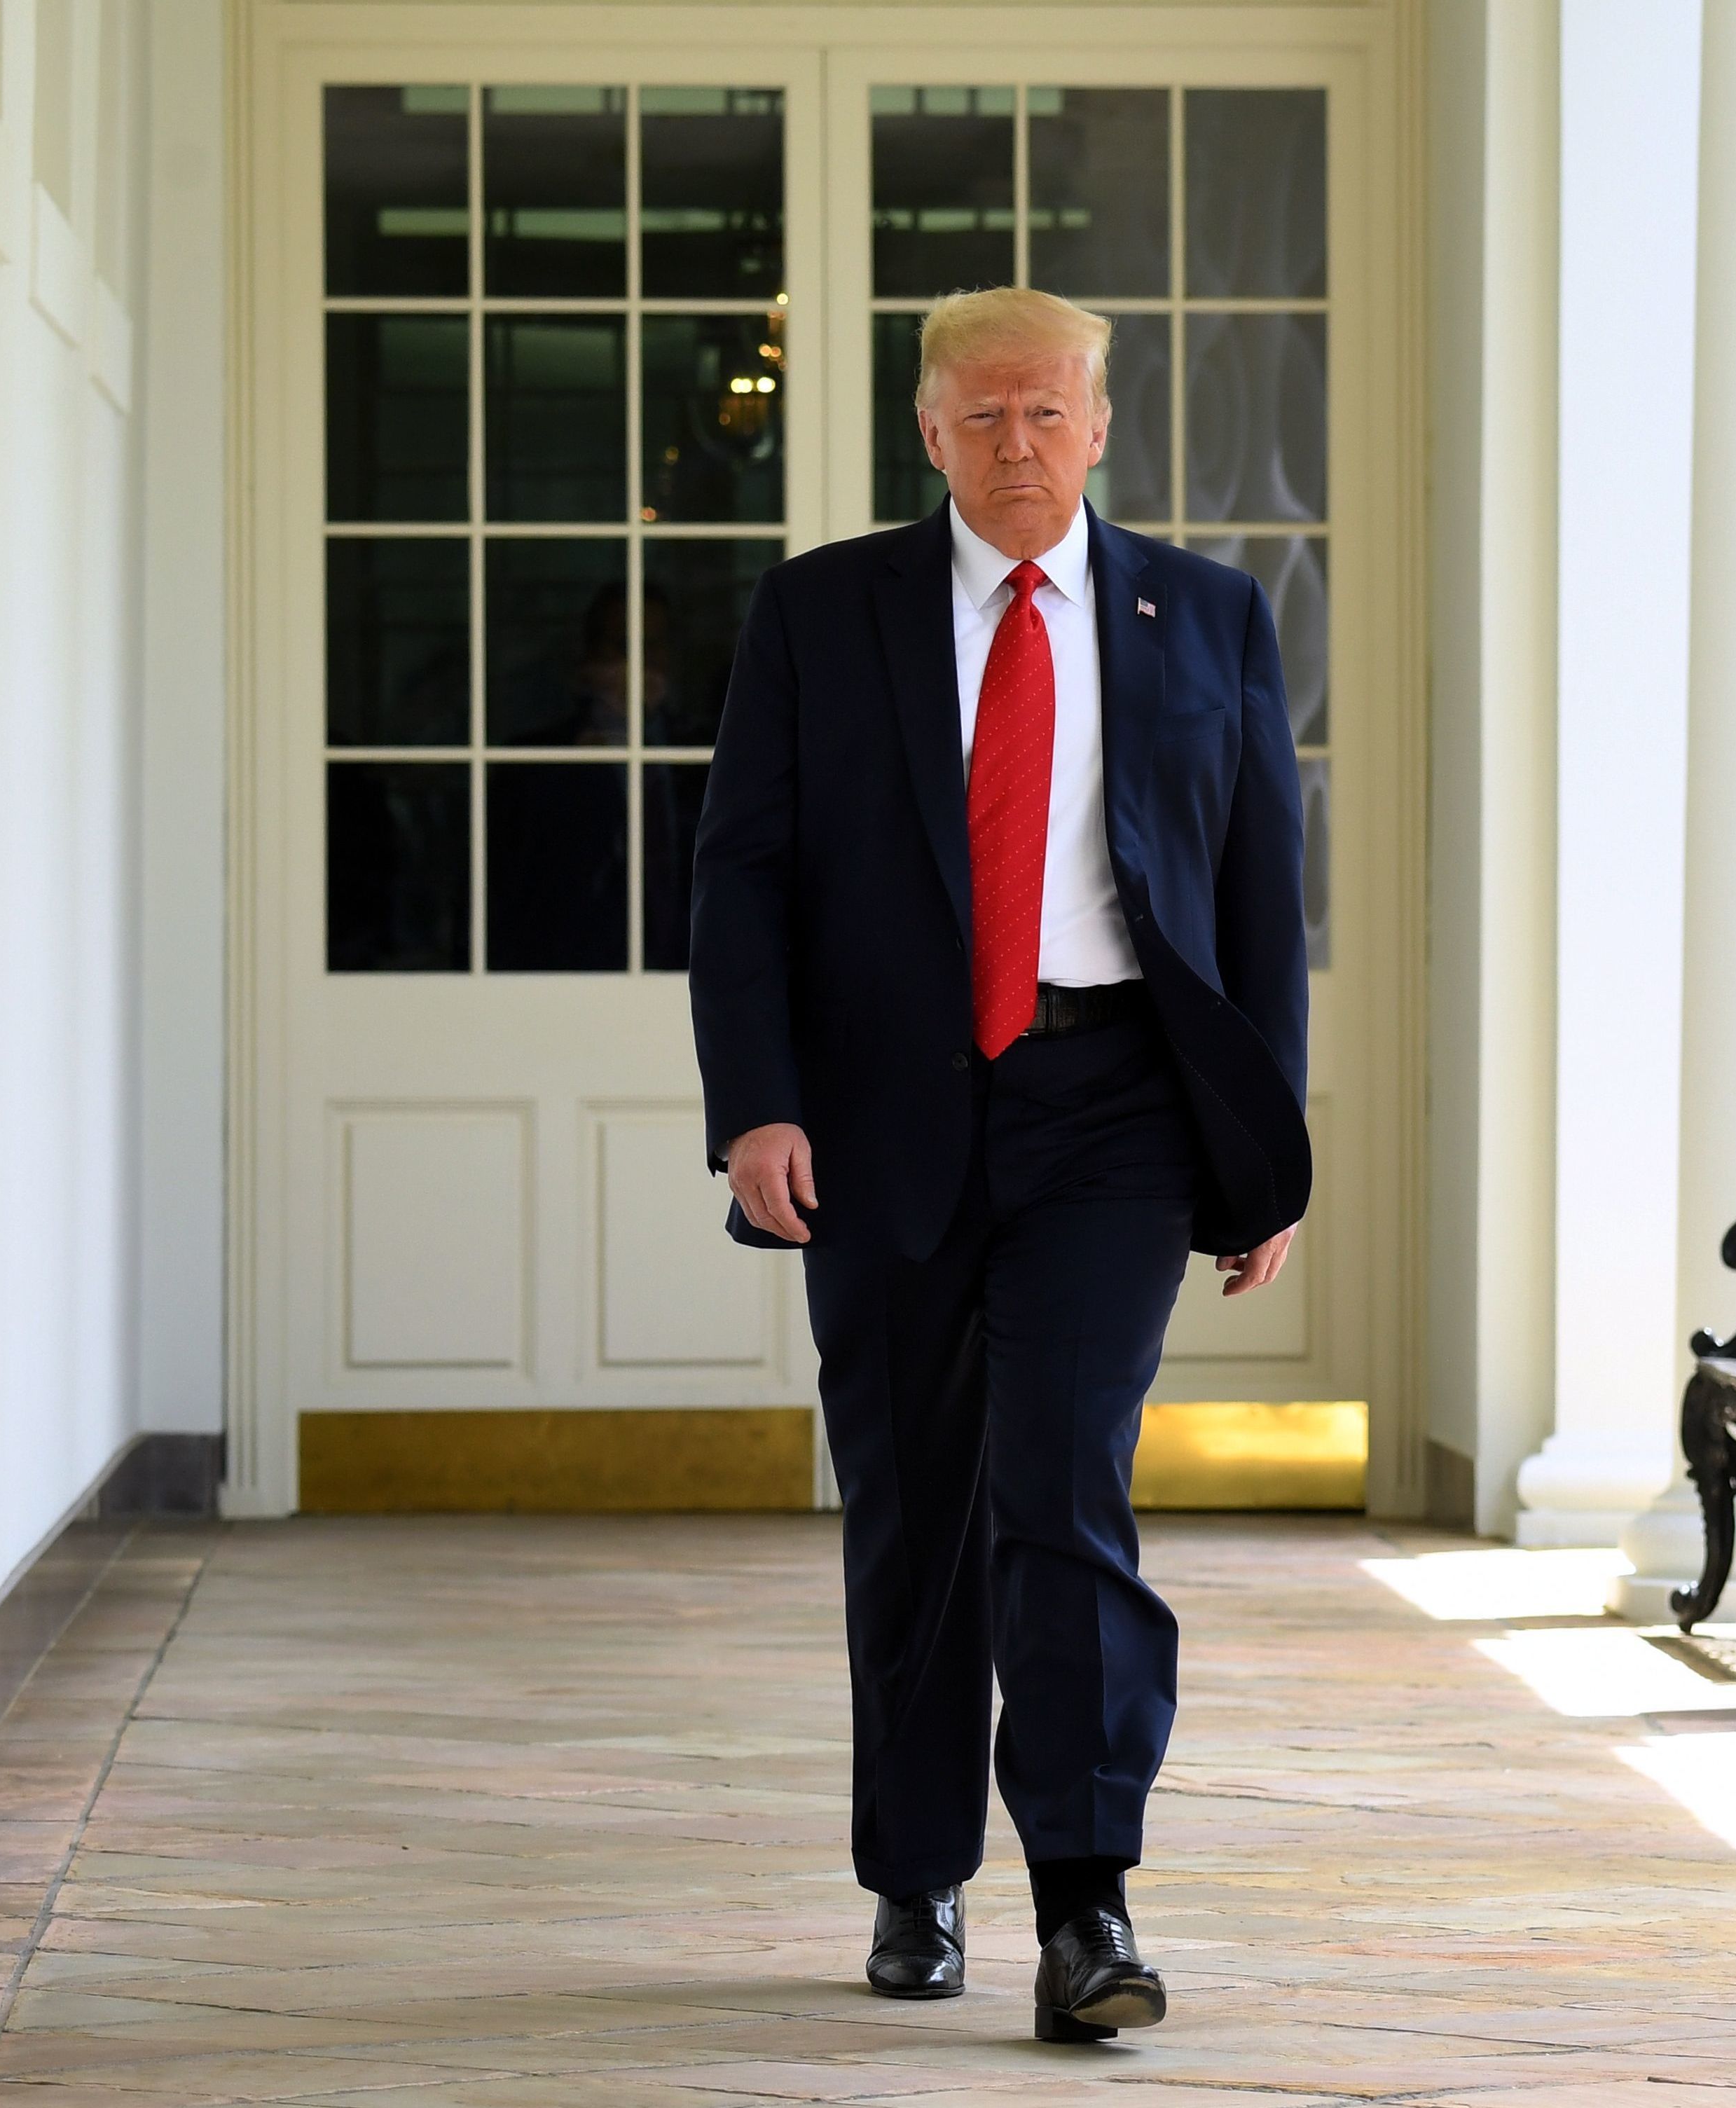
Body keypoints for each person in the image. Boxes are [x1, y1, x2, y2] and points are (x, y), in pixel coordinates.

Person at [687, 286, 1309, 2044]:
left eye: (1050, 412)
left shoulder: (1206, 615)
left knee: (1064, 1486)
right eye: (984, 416)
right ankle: (914, 1871)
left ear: (1103, 425)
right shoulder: (823, 612)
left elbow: (1262, 896)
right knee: (914, 1500)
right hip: (886, 1112)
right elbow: (741, 877)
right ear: (928, 429)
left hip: (1112, 1101)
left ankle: (1085, 1893)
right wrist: (758, 1104)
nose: (1019, 444)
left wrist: (1263, 1150)